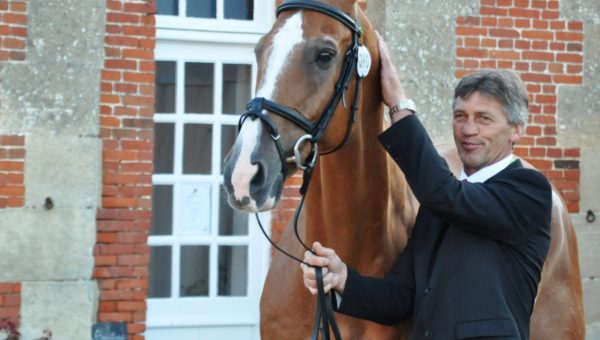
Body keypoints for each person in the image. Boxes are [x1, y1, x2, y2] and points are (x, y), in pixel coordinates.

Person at [300, 33, 552, 339]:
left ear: (516, 131)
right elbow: (400, 298)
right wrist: (343, 279)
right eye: (460, 116)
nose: (468, 130)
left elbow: (443, 192)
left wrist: (398, 105)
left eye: (484, 118)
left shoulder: (529, 190)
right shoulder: (437, 208)